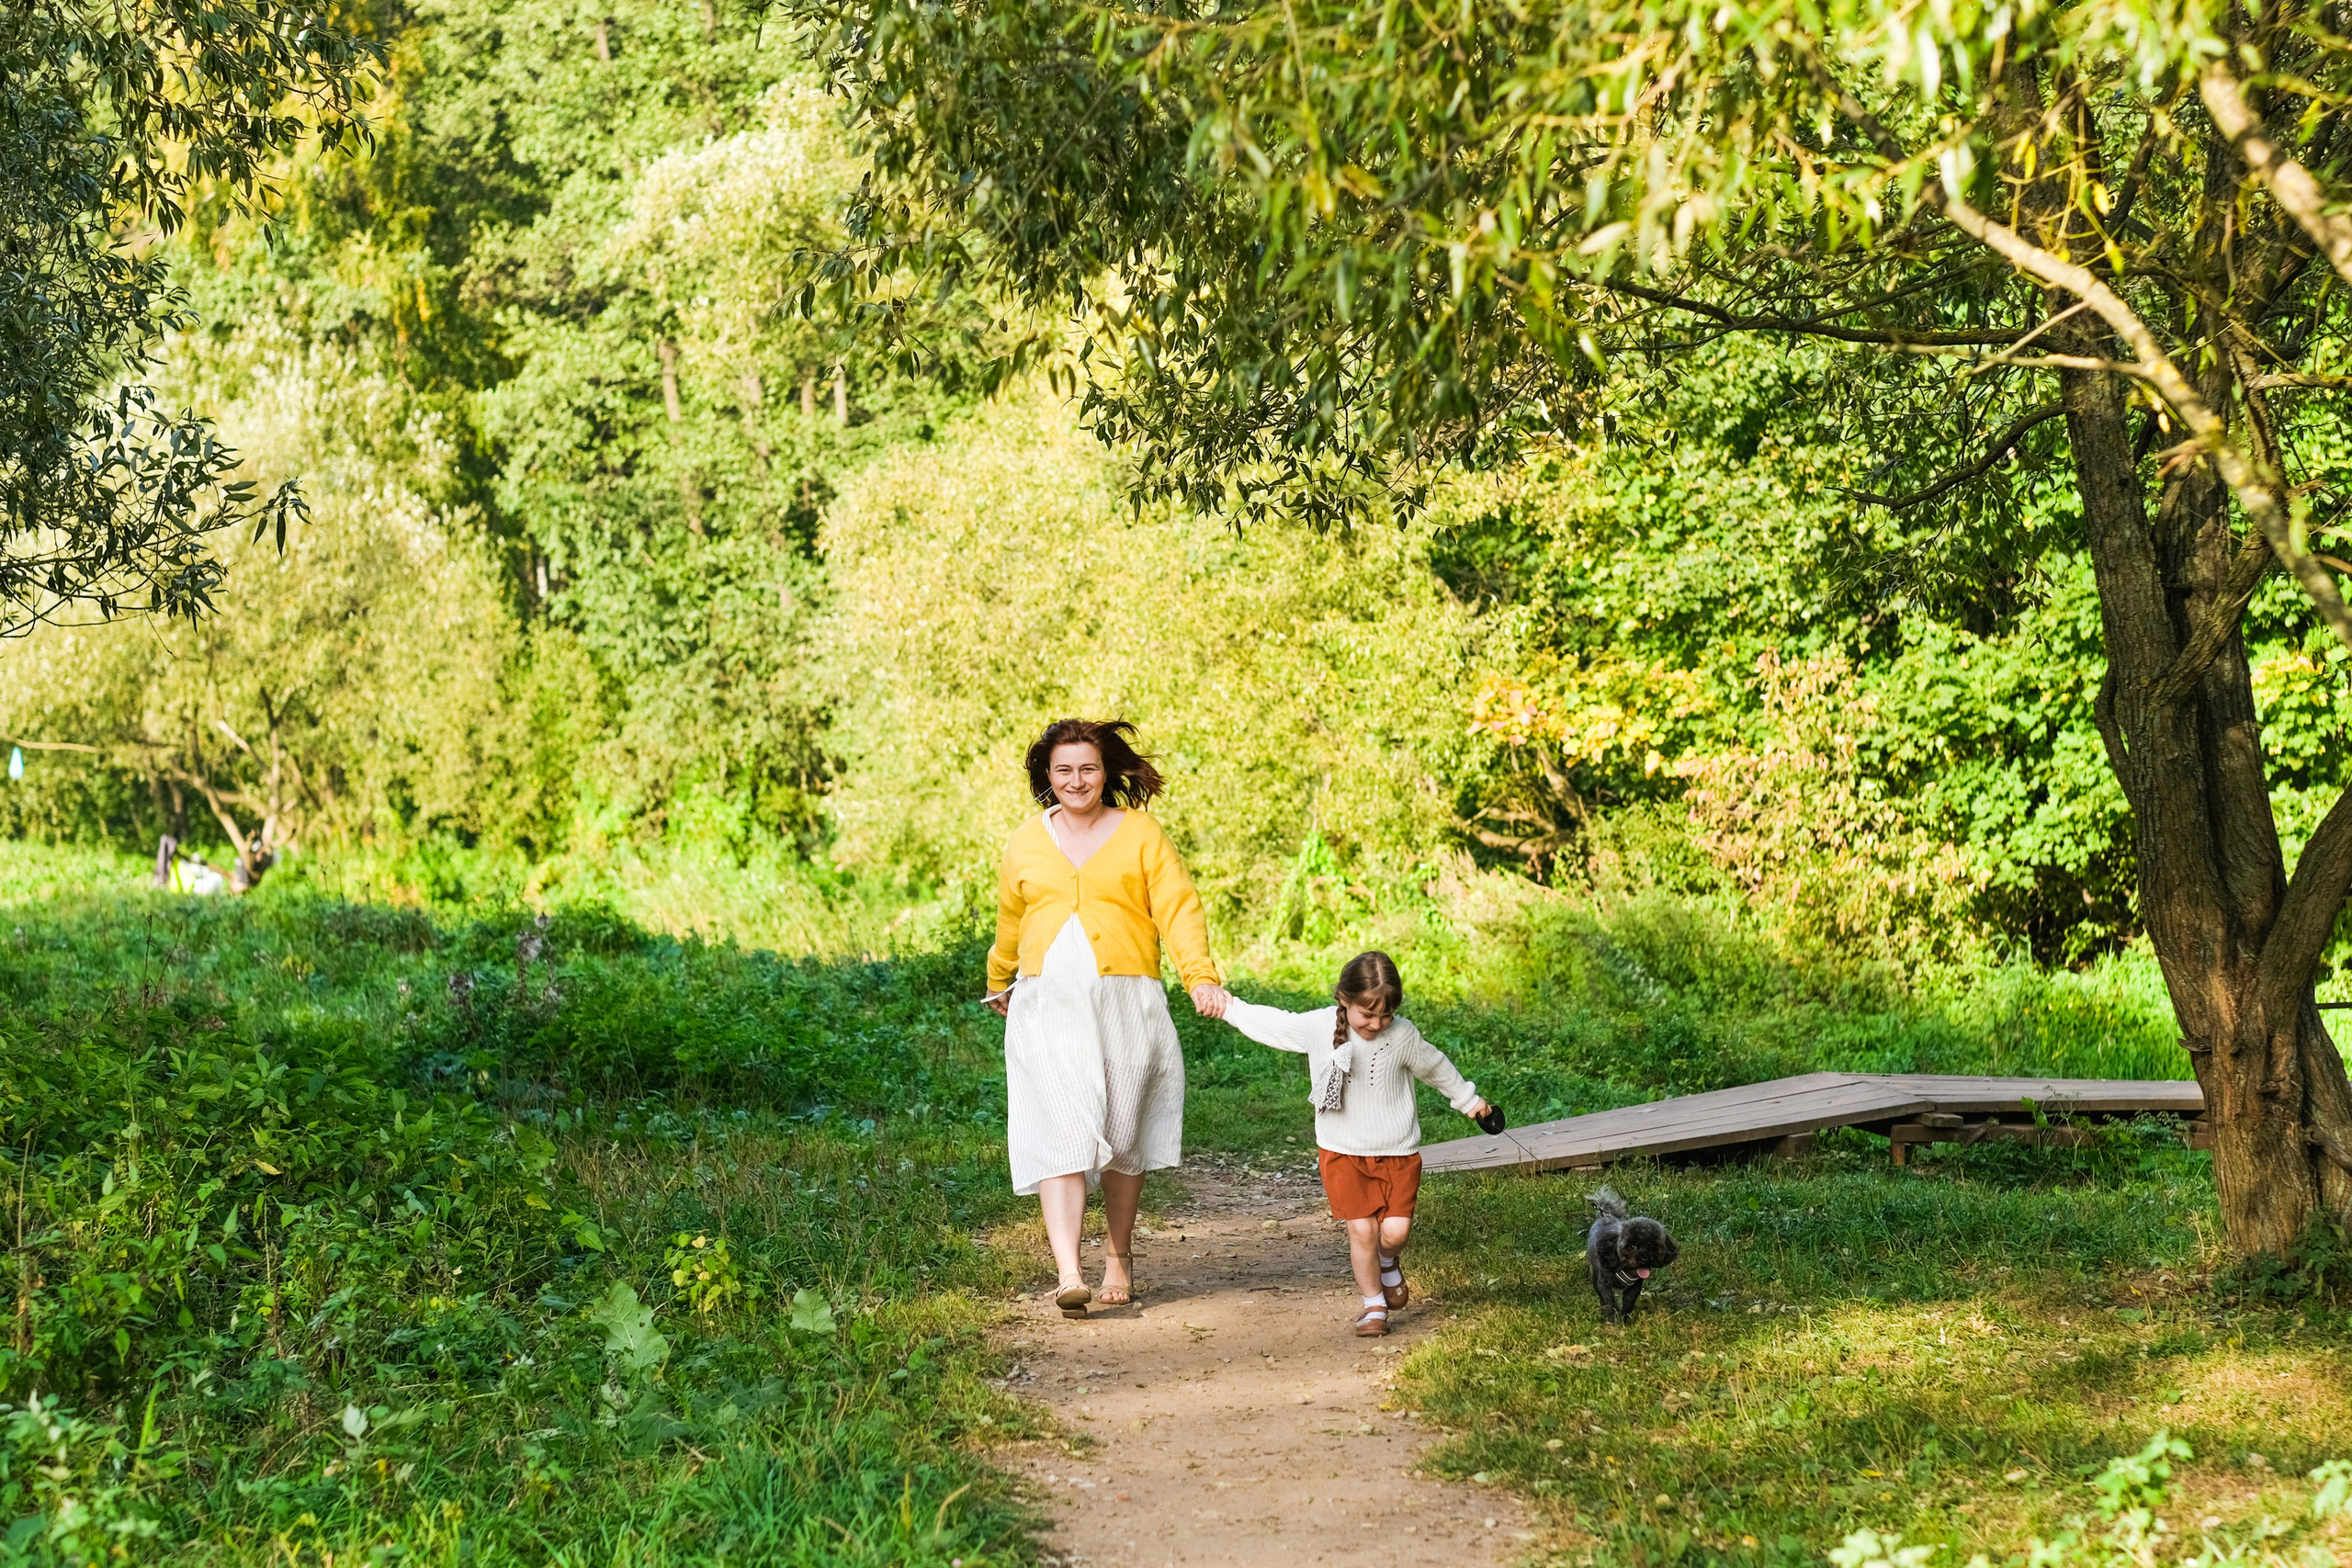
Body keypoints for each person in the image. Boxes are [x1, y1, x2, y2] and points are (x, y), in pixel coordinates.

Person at [986, 718, 1230, 1319]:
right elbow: (1011, 922)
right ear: (1047, 775)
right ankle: (1069, 1272)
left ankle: (1119, 1254)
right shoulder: (1025, 841)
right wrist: (998, 979)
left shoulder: (1141, 833)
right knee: (1062, 1132)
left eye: (1088, 768)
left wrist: (1199, 975)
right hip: (1047, 1005)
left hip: (1126, 1001)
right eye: (1064, 769)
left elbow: (1178, 907)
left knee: (1122, 1135)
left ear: (1105, 772)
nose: (1077, 780)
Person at [1218, 951, 1489, 1337]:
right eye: (1368, 1015)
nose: (1377, 1024)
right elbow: (1275, 1024)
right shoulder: (1319, 1027)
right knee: (1362, 1230)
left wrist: (1468, 1100)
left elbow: (1436, 1067)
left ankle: (1387, 1260)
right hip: (1342, 1152)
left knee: (1394, 1234)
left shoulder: (1403, 1036)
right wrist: (1229, 1008)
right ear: (1344, 1000)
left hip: (1397, 1152)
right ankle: (1373, 1305)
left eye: (1386, 1015)